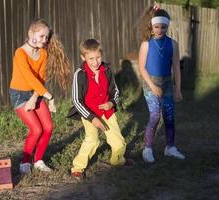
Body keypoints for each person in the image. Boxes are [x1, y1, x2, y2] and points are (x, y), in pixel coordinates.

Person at [9, 18, 70, 174]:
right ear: (31, 33)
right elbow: (29, 77)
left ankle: (38, 161)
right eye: (42, 36)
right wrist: (49, 96)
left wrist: (35, 97)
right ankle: (24, 163)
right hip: (19, 94)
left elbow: (40, 79)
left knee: (48, 127)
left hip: (35, 92)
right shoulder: (20, 53)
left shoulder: (43, 53)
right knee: (36, 129)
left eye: (46, 37)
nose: (45, 40)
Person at [68, 39, 134, 179]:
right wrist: (92, 119)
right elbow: (76, 101)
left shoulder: (107, 70)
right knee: (92, 140)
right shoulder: (80, 74)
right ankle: (78, 167)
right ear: (83, 57)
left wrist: (111, 103)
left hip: (107, 112)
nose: (95, 62)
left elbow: (115, 91)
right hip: (89, 113)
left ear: (101, 55)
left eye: (98, 57)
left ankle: (117, 160)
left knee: (117, 138)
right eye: (91, 58)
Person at [138, 6, 185, 163]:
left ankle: (170, 147)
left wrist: (178, 89)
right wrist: (152, 86)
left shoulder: (173, 44)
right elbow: (142, 68)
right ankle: (147, 149)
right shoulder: (146, 44)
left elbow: (176, 67)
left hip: (167, 83)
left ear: (167, 26)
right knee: (155, 115)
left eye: (163, 27)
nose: (160, 30)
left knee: (169, 116)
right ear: (151, 25)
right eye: (156, 26)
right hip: (151, 83)